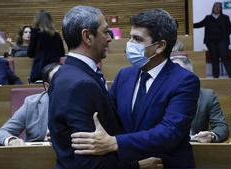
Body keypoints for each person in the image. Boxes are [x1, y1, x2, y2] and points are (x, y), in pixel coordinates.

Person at [71, 9, 200, 168]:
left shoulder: (184, 80)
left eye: (137, 39)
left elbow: (169, 132)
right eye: (130, 37)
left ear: (159, 46)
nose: (129, 44)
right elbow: (108, 117)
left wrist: (115, 142)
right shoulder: (124, 76)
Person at [48, 6, 130, 169]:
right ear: (87, 36)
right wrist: (136, 166)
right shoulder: (81, 85)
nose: (109, 38)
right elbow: (89, 160)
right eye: (105, 31)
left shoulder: (63, 73)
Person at [0, 63, 60, 146]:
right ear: (47, 86)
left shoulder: (78, 101)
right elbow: (1, 133)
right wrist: (12, 140)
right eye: (59, 80)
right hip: (38, 154)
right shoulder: (32, 103)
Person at [170, 55, 229, 143]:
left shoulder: (207, 96)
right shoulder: (158, 96)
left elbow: (222, 127)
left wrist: (212, 135)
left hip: (195, 148)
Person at [194, 2, 231, 79]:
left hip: (222, 41)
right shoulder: (208, 18)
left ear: (221, 9)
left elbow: (230, 29)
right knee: (214, 59)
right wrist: (190, 25)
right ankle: (216, 77)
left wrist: (224, 36)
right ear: (213, 8)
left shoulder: (225, 17)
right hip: (211, 42)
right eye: (215, 6)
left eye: (218, 7)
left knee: (225, 58)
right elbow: (199, 24)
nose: (216, 8)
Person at [27, 10, 65, 83]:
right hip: (55, 71)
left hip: (39, 72)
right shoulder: (56, 35)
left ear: (37, 21)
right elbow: (62, 53)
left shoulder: (35, 33)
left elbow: (30, 54)